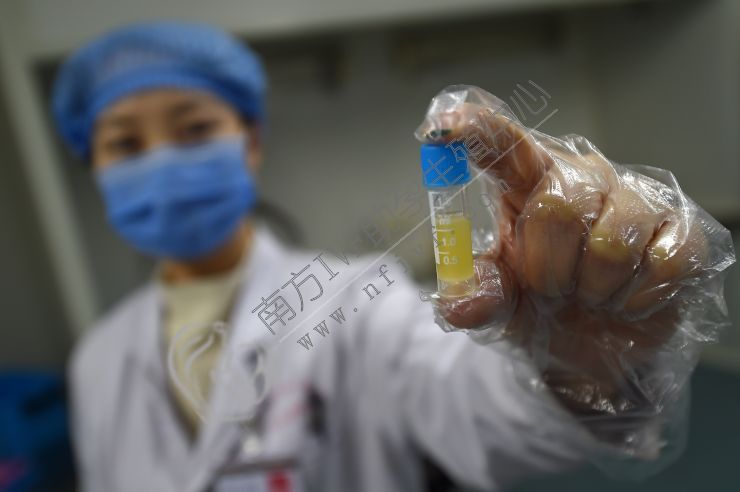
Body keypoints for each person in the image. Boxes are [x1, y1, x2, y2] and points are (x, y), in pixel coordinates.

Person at [51, 21, 734, 492]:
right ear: (93, 165)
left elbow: (485, 417)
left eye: (195, 129)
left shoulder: (357, 300)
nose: (163, 162)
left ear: (249, 142)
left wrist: (579, 367)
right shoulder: (97, 358)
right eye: (125, 145)